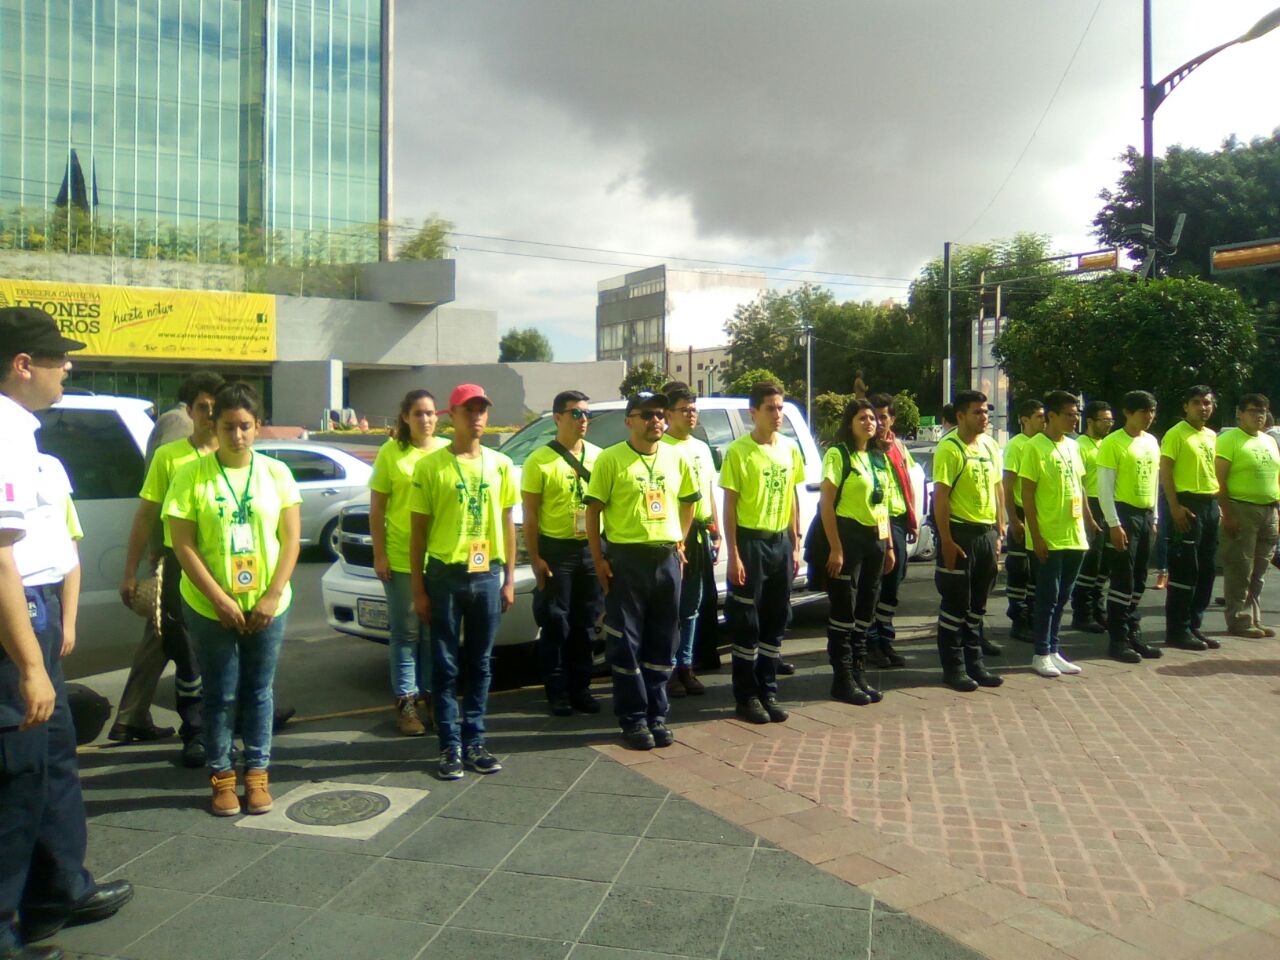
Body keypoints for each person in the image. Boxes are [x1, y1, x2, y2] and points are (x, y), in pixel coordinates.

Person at [1, 306, 133, 960]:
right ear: (22, 366)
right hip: (14, 614)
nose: (68, 367)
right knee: (17, 774)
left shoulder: (22, 434)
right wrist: (28, 662)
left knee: (53, 762)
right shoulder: (1, 432)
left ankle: (59, 893)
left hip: (39, 606)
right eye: (58, 358)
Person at [165, 382, 301, 816]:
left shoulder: (276, 474)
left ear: (258, 427)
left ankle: (257, 773)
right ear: (213, 425)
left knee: (259, 691)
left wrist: (272, 594)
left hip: (267, 604)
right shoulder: (192, 474)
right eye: (228, 426)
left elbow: (292, 539)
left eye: (245, 426)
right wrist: (220, 599)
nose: (237, 435)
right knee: (220, 694)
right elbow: (182, 545)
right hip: (209, 606)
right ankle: (222, 777)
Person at [113, 371, 225, 766]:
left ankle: (242, 714)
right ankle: (194, 732)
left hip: (230, 568)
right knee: (186, 651)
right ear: (190, 410)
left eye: (217, 407)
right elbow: (145, 514)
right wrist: (132, 569)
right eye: (203, 407)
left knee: (232, 648)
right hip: (177, 564)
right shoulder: (172, 454)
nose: (210, 415)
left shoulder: (238, 452)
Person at [409, 384, 517, 779]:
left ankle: (475, 739)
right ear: (450, 416)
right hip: (445, 574)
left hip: (486, 572)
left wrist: (507, 579)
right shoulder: (430, 467)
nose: (477, 417)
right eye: (468, 410)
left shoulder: (500, 464)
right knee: (445, 663)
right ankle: (449, 745)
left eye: (482, 410)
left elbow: (507, 523)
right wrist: (418, 589)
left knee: (481, 662)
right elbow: (417, 531)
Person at [585, 392, 699, 750]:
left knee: (664, 639)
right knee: (626, 642)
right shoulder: (610, 459)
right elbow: (593, 513)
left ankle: (657, 714)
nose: (656, 421)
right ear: (629, 420)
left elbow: (689, 502)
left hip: (665, 559)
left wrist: (679, 541)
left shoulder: (676, 457)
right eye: (647, 415)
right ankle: (633, 719)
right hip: (626, 559)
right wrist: (599, 558)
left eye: (661, 415)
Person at [719, 380, 805, 724]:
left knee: (775, 617)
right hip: (751, 542)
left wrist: (795, 542)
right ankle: (746, 696)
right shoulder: (739, 451)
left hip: (780, 542)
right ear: (753, 412)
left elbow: (793, 495)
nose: (777, 414)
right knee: (747, 622)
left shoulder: (789, 449)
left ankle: (768, 690)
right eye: (770, 408)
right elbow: (730, 506)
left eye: (781, 407)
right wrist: (735, 554)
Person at [369, 389, 448, 736]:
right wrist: (380, 554)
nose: (426, 420)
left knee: (433, 633)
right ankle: (406, 703)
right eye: (418, 414)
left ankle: (431, 697)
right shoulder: (392, 452)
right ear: (405, 417)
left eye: (431, 413)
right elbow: (377, 508)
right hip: (401, 557)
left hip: (440, 558)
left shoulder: (447, 451)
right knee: (406, 633)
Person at [522, 390, 603, 716]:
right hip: (556, 550)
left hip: (589, 548)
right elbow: (530, 515)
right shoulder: (539, 460)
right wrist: (536, 558)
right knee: (556, 623)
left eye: (587, 414)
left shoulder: (599, 457)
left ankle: (581, 687)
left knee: (586, 622)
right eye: (575, 414)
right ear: (557, 418)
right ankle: (557, 690)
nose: (583, 420)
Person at [820, 399, 894, 706]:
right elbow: (826, 504)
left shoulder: (879, 457)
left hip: (875, 538)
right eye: (862, 418)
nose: (869, 423)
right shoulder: (839, 454)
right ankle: (843, 679)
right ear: (850, 422)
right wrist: (835, 547)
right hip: (847, 538)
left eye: (873, 419)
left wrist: (888, 545)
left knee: (867, 608)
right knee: (844, 610)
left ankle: (859, 674)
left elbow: (884, 504)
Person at [1020, 390, 1098, 678]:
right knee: (1047, 597)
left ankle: (1054, 649)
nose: (1075, 418)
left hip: (1074, 533)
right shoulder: (1034, 447)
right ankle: (1040, 653)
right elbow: (1027, 494)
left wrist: (1089, 521)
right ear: (1051, 416)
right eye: (1069, 414)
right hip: (1048, 536)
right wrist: (1036, 535)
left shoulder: (1073, 447)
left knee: (1063, 596)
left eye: (1076, 413)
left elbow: (1081, 488)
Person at [931, 390, 1005, 691]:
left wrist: (1000, 530)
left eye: (985, 411)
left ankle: (976, 664)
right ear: (960, 416)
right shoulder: (949, 448)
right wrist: (946, 540)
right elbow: (941, 497)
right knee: (955, 604)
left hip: (986, 533)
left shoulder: (989, 445)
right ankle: (954, 668)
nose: (983, 417)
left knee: (978, 605)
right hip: (960, 535)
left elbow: (998, 487)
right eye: (976, 412)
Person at [660, 383, 720, 698]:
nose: (691, 414)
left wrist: (716, 529)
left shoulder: (701, 447)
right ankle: (667, 667)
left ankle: (686, 665)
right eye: (684, 409)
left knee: (692, 607)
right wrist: (678, 541)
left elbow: (708, 490)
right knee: (670, 607)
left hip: (700, 535)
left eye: (693, 408)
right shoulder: (663, 448)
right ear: (668, 413)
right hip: (674, 538)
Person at [1096, 391, 1163, 662]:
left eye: (1152, 411)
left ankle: (1133, 631)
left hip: (1145, 514)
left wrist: (1156, 518)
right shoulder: (1113, 443)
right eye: (1143, 411)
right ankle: (1118, 639)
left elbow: (1154, 481)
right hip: (1124, 514)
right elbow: (1104, 487)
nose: (1149, 416)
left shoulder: (1151, 441)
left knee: (1139, 578)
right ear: (1128, 412)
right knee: (1122, 578)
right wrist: (1114, 523)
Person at [867, 392, 926, 667]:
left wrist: (912, 519)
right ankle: (870, 643)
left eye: (883, 416)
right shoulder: (865, 449)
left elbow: (908, 483)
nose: (878, 422)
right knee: (874, 584)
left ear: (892, 418)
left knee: (894, 581)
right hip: (876, 523)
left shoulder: (899, 447)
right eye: (874, 416)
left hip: (899, 521)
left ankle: (885, 639)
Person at [1214, 394, 1279, 639]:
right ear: (1240, 413)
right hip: (1241, 508)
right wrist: (1227, 514)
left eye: (1263, 411)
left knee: (1260, 569)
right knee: (1240, 567)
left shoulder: (1269, 441)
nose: (1259, 415)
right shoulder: (1230, 439)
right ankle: (1239, 620)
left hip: (1269, 509)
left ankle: (1254, 618)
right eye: (1253, 411)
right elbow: (1219, 480)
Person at [1161, 385, 1220, 651]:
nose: (1202, 407)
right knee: (1185, 569)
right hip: (1187, 504)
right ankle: (1177, 629)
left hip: (1209, 504)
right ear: (1186, 406)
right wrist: (1174, 506)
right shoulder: (1176, 434)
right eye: (1196, 402)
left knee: (1206, 569)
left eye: (1206, 403)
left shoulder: (1210, 435)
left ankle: (1194, 626)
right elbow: (1166, 472)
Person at [1069, 400, 1114, 633]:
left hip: (1109, 505)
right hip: (1089, 506)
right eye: (1104, 420)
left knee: (1105, 563)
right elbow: (1078, 483)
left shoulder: (1109, 444)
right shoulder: (1079, 446)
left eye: (1110, 420)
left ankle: (1099, 609)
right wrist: (1088, 517)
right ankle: (1082, 613)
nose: (1108, 424)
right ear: (1090, 421)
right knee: (1090, 562)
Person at [1003, 399, 1045, 641]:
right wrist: (1013, 519)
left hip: (1040, 515)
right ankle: (1018, 619)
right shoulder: (1016, 445)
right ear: (1024, 419)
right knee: (1019, 569)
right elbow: (1008, 485)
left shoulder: (1041, 443)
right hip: (1020, 513)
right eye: (1039, 416)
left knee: (1036, 570)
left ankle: (1032, 616)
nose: (1043, 420)